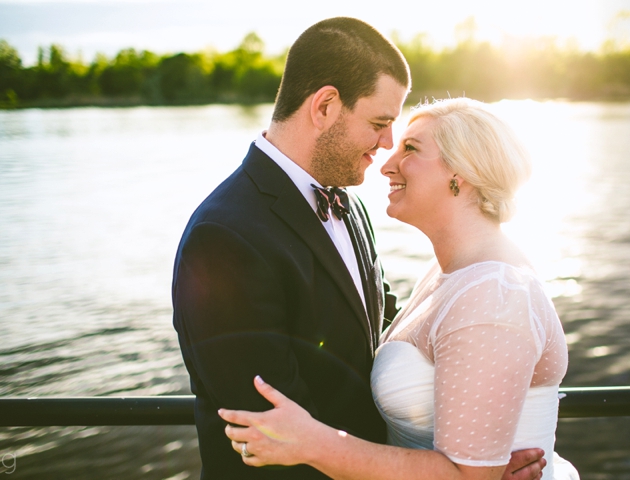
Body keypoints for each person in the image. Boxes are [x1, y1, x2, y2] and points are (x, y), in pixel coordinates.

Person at [173, 16, 546, 480]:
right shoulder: (225, 237)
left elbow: (382, 334)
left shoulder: (348, 205)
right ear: (326, 106)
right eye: (379, 123)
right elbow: (273, 433)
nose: (386, 145)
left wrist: (473, 456)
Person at [219, 98, 580, 480]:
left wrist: (313, 443)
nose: (386, 165)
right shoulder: (448, 273)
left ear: (462, 173)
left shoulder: (493, 295)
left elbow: (470, 478)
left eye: (410, 148)